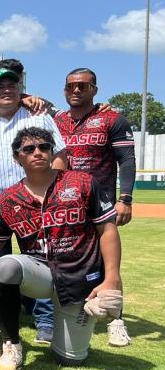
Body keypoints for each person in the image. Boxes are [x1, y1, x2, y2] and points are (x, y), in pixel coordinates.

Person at [0, 127, 123, 370]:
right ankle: (11, 346)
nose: (37, 152)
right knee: (6, 264)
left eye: (44, 147)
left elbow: (107, 230)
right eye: (28, 149)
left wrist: (111, 278)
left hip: (79, 277)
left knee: (71, 359)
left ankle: (67, 340)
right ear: (17, 158)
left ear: (51, 151)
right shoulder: (9, 198)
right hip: (39, 274)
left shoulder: (81, 182)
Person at [0, 68, 68, 343]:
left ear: (21, 89)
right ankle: (1, 321)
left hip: (37, 206)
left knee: (43, 260)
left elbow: (59, 156)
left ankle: (45, 320)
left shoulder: (38, 116)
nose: (7, 89)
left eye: (12, 84)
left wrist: (52, 194)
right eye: (0, 86)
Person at [53, 67, 136, 347]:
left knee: (108, 260)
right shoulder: (56, 120)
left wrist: (125, 198)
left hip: (99, 202)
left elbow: (126, 160)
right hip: (66, 202)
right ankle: (74, 309)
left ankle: (116, 320)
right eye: (71, 86)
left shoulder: (112, 118)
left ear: (95, 90)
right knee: (71, 258)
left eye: (83, 86)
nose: (76, 91)